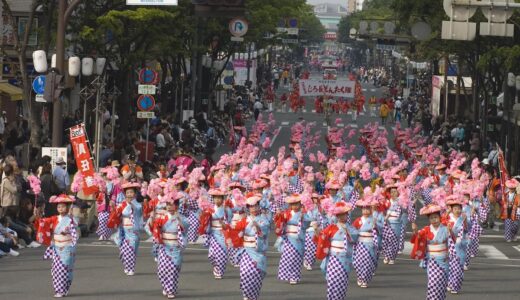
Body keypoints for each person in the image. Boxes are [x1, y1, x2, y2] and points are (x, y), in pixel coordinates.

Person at [34, 194, 78, 298]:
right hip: (57, 247)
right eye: (59, 207)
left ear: (67, 207)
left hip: (67, 247)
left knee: (65, 269)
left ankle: (64, 288)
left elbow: (74, 231)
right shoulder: (54, 218)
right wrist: (38, 216)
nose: (60, 208)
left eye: (63, 206)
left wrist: (67, 230)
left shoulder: (71, 219)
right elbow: (43, 222)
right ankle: (59, 290)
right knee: (56, 270)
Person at [315, 202, 358, 300]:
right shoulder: (331, 227)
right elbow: (322, 237)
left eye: (345, 214)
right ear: (337, 216)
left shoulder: (350, 227)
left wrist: (347, 231)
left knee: (342, 280)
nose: (343, 216)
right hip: (333, 258)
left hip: (345, 258)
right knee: (332, 280)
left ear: (347, 215)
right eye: (340, 214)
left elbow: (355, 237)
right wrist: (316, 231)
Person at [152, 191, 189, 299]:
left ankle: (170, 289)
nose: (169, 206)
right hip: (164, 246)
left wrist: (180, 222)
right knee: (161, 270)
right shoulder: (162, 218)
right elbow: (154, 229)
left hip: (175, 247)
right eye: (167, 204)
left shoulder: (181, 218)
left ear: (176, 206)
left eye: (171, 204)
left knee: (173, 269)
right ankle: (166, 287)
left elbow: (185, 229)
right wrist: (152, 221)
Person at [232, 194, 270, 300]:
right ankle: (246, 293)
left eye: (255, 206)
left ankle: (253, 295)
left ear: (259, 206)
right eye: (251, 206)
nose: (254, 208)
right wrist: (229, 226)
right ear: (248, 208)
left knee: (256, 274)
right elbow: (235, 229)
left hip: (258, 251)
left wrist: (258, 227)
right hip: (247, 250)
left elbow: (265, 231)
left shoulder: (263, 219)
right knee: (244, 272)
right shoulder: (245, 220)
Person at [411, 204, 450, 300]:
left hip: (443, 259)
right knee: (433, 282)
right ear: (429, 220)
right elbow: (418, 237)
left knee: (441, 283)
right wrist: (415, 231)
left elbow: (452, 241)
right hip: (432, 260)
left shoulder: (445, 229)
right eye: (432, 218)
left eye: (436, 217)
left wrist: (450, 232)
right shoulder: (426, 229)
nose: (434, 220)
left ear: (440, 218)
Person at [274, 194, 311, 285]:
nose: (295, 206)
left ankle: (294, 276)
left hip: (298, 238)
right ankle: (287, 274)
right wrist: (278, 215)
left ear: (300, 204)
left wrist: (303, 219)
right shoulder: (286, 213)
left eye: (297, 204)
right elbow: (280, 222)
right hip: (289, 238)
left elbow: (306, 224)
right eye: (293, 204)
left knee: (297, 258)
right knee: (287, 257)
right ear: (290, 205)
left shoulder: (303, 214)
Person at [107, 181, 143, 276]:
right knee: (123, 252)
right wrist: (113, 207)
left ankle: (131, 268)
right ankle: (127, 266)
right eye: (127, 193)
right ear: (125, 194)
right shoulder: (122, 204)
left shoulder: (138, 205)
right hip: (123, 230)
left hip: (133, 231)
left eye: (131, 192)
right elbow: (116, 214)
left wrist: (132, 205)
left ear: (135, 194)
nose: (129, 194)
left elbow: (138, 211)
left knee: (131, 250)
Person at [199, 187, 232, 279]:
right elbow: (205, 221)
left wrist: (224, 224)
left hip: (223, 234)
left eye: (219, 198)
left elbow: (229, 223)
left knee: (222, 254)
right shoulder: (210, 209)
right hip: (213, 233)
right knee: (211, 255)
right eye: (215, 198)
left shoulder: (227, 210)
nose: (217, 200)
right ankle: (216, 266)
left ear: (223, 199)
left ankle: (219, 271)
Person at [444, 195, 468, 294]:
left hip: (460, 246)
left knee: (459, 268)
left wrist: (466, 221)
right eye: (455, 208)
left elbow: (467, 230)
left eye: (459, 208)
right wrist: (448, 230)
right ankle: (451, 284)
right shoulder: (447, 219)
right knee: (450, 267)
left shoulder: (463, 218)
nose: (457, 210)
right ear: (452, 210)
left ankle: (454, 285)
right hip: (450, 245)